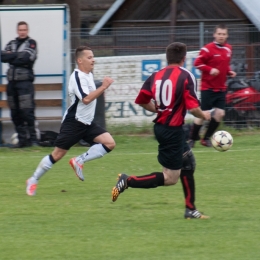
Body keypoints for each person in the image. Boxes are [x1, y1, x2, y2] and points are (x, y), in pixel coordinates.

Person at [111, 42, 211, 219]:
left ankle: (190, 209)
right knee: (170, 178)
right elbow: (193, 107)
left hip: (162, 128)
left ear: (167, 58)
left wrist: (159, 109)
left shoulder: (156, 75)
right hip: (172, 131)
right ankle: (127, 181)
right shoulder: (186, 76)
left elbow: (141, 100)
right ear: (184, 58)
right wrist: (203, 115)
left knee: (188, 163)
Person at [26, 46, 115, 196]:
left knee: (109, 143)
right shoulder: (77, 77)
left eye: (93, 57)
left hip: (86, 122)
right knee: (57, 155)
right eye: (89, 57)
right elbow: (86, 99)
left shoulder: (87, 75)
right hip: (74, 122)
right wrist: (104, 86)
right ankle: (33, 180)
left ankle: (79, 160)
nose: (93, 60)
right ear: (80, 60)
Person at [189, 24, 237, 147]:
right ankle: (192, 139)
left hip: (221, 88)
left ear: (227, 35)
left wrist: (229, 71)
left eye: (224, 34)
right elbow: (197, 63)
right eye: (219, 34)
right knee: (204, 114)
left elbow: (225, 65)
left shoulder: (228, 48)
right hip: (208, 88)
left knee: (220, 114)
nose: (221, 36)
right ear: (214, 35)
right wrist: (210, 70)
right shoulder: (207, 49)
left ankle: (206, 138)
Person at [1, 21, 38, 147]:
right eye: (20, 30)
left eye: (24, 30)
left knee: (27, 112)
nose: (22, 32)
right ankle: (22, 141)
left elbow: (27, 57)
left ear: (27, 30)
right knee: (15, 112)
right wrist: (16, 57)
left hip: (25, 83)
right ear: (17, 31)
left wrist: (12, 56)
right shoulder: (11, 43)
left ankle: (33, 140)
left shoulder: (31, 43)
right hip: (11, 83)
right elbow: (3, 57)